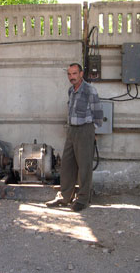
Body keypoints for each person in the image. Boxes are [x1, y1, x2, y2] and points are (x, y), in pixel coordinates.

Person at [46, 63, 103, 212]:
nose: (72, 77)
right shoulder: (71, 91)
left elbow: (98, 115)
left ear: (81, 74)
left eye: (74, 74)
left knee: (84, 166)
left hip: (85, 130)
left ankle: (83, 199)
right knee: (67, 164)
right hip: (72, 130)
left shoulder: (90, 90)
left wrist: (92, 132)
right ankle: (65, 197)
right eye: (69, 74)